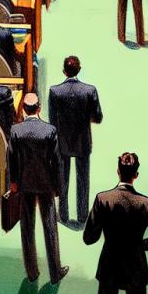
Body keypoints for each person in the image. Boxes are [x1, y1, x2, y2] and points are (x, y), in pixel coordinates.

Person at [83, 151, 148, 294]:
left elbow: (89, 238)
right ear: (136, 175)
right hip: (136, 268)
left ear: (118, 171)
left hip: (109, 267)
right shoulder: (147, 203)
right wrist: (139, 245)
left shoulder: (102, 199)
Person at [9, 92, 69, 284]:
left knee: (27, 228)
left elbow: (11, 158)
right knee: (50, 227)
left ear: (23, 109)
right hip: (45, 183)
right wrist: (58, 186)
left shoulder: (16, 130)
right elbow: (57, 161)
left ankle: (32, 272)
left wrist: (14, 182)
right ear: (39, 108)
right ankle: (55, 272)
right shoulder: (49, 130)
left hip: (25, 183)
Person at [50, 55, 104, 227]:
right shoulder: (89, 90)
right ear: (79, 70)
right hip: (83, 140)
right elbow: (98, 117)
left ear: (64, 71)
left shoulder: (55, 91)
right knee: (83, 179)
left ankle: (63, 214)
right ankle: (82, 215)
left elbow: (52, 121)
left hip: (63, 141)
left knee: (63, 178)